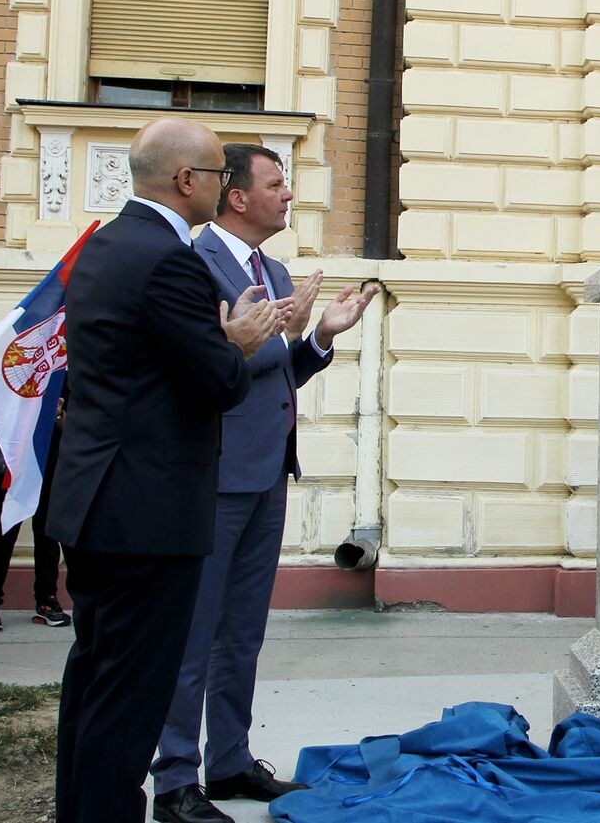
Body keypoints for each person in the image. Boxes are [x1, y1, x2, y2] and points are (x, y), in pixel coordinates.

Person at [45, 117, 284, 823]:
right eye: (216, 174)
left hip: (96, 503)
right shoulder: (169, 259)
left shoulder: (104, 245)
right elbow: (216, 381)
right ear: (188, 181)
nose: (222, 186)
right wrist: (236, 341)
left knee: (94, 682)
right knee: (130, 698)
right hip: (147, 515)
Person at [150, 144, 378, 823]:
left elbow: (281, 371)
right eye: (276, 184)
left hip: (267, 472)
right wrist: (251, 342)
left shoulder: (271, 270)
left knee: (242, 631)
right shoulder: (193, 264)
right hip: (213, 477)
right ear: (237, 196)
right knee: (194, 630)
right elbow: (201, 370)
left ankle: (229, 761)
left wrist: (319, 340)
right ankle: (174, 779)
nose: (288, 194)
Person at [0, 398, 69, 632]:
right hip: (13, 458)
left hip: (50, 459)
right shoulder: (9, 364)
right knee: (4, 530)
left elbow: (74, 425)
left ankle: (47, 599)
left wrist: (57, 414)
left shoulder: (59, 371)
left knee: (47, 533)